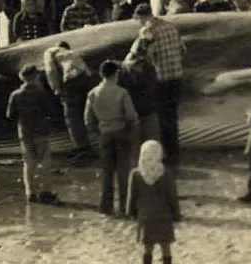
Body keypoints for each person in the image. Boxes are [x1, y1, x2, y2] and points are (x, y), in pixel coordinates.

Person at [86, 59, 140, 216]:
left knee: (107, 172)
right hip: (121, 131)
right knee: (124, 172)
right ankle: (126, 207)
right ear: (115, 74)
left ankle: (106, 207)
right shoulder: (122, 92)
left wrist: (96, 133)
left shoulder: (93, 93)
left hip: (104, 133)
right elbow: (131, 115)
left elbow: (88, 118)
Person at [135, 4, 186, 164]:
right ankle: (175, 152)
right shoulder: (171, 26)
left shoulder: (147, 30)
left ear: (143, 17)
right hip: (177, 76)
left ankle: (168, 156)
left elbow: (142, 55)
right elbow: (183, 49)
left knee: (163, 118)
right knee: (172, 116)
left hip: (161, 78)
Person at [129, 140, 180, 264]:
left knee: (147, 247)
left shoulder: (136, 174)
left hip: (145, 216)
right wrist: (176, 214)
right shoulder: (164, 173)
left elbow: (132, 196)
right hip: (163, 214)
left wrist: (132, 213)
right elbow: (172, 196)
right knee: (166, 246)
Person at [7, 65, 59, 204]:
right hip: (41, 132)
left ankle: (30, 193)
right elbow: (50, 111)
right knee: (45, 163)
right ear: (35, 77)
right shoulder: (41, 94)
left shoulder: (15, 95)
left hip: (24, 133)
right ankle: (45, 192)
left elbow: (10, 115)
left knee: (29, 164)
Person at [46, 41, 96, 160]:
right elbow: (86, 70)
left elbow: (50, 71)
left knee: (72, 115)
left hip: (71, 82)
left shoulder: (50, 52)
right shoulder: (73, 53)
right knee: (88, 110)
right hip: (85, 78)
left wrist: (56, 90)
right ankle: (96, 140)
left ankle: (82, 147)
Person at [119, 36, 163, 147]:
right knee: (152, 144)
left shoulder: (125, 65)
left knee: (135, 145)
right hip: (147, 109)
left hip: (133, 110)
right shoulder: (146, 66)